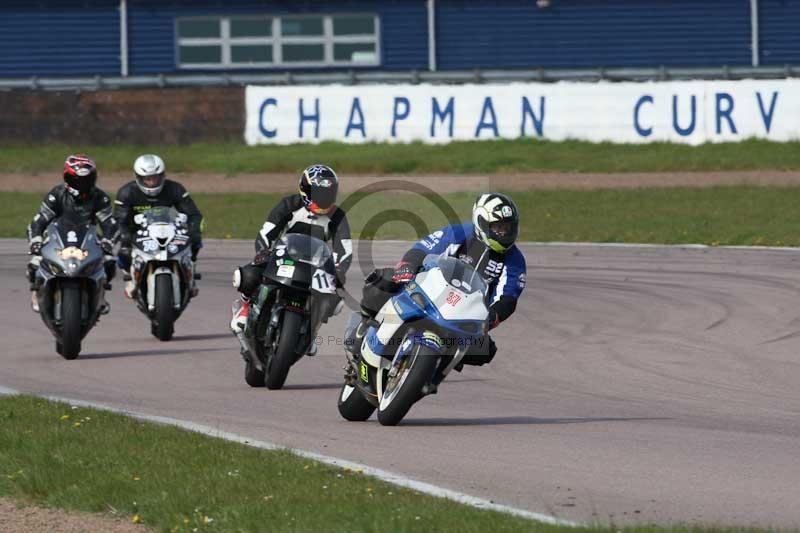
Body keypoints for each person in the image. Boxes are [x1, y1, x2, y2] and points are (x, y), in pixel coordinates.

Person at [354, 192, 526, 368]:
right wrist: (407, 268)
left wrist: (493, 315)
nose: (504, 232)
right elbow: (422, 249)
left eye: (508, 228)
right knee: (384, 281)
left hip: (464, 314)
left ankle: (432, 373)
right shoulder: (458, 233)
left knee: (485, 350)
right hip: (428, 291)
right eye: (498, 227)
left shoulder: (515, 261)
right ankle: (363, 326)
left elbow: (508, 298)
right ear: (481, 222)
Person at [229, 164, 353, 354]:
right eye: (319, 193)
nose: (324, 199)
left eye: (328, 193)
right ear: (305, 190)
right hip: (282, 256)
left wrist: (338, 270)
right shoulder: (289, 205)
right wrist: (263, 251)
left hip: (315, 265)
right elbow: (266, 233)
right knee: (248, 275)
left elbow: (344, 249)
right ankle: (245, 306)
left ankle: (312, 330)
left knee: (335, 298)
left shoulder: (337, 216)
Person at [26, 154, 118, 312]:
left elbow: (109, 223)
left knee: (109, 262)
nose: (82, 185)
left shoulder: (100, 198)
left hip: (88, 237)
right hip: (58, 236)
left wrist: (108, 242)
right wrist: (35, 240)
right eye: (77, 180)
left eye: (86, 181)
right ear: (67, 178)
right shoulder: (57, 194)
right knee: (35, 261)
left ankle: (100, 296)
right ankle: (37, 291)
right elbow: (39, 221)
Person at [114, 154, 203, 298]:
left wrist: (194, 230)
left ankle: (189, 272)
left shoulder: (175, 188)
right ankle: (130, 276)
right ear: (138, 177)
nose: (151, 182)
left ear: (163, 176)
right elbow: (119, 220)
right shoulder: (126, 192)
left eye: (155, 177)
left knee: (196, 241)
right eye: (147, 179)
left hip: (168, 230)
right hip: (138, 233)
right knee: (123, 252)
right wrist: (124, 235)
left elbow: (194, 214)